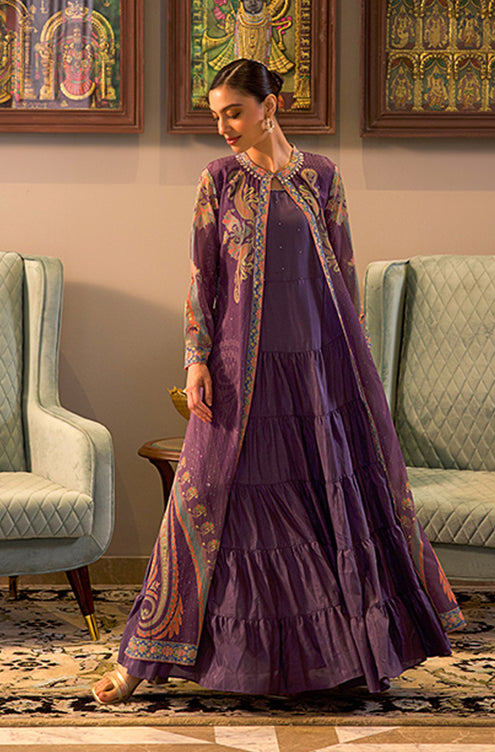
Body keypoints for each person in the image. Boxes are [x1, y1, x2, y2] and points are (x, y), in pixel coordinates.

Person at [92, 58, 465, 704]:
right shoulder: (217, 181)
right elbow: (202, 277)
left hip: (317, 372)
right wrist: (196, 359)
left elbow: (343, 276)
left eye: (234, 112)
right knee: (201, 500)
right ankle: (139, 660)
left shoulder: (322, 178)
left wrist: (351, 369)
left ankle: (340, 660)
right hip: (240, 370)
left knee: (329, 508)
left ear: (271, 106)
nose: (224, 127)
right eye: (217, 116)